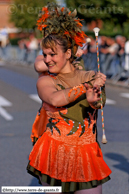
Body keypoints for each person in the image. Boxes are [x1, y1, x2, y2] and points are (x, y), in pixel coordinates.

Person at [27, 3, 111, 193]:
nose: (47, 59)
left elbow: (99, 102)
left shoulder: (90, 76)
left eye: (52, 54)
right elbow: (55, 100)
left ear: (67, 53)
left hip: (86, 155)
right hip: (55, 153)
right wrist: (86, 87)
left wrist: (93, 99)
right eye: (45, 54)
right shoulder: (46, 81)